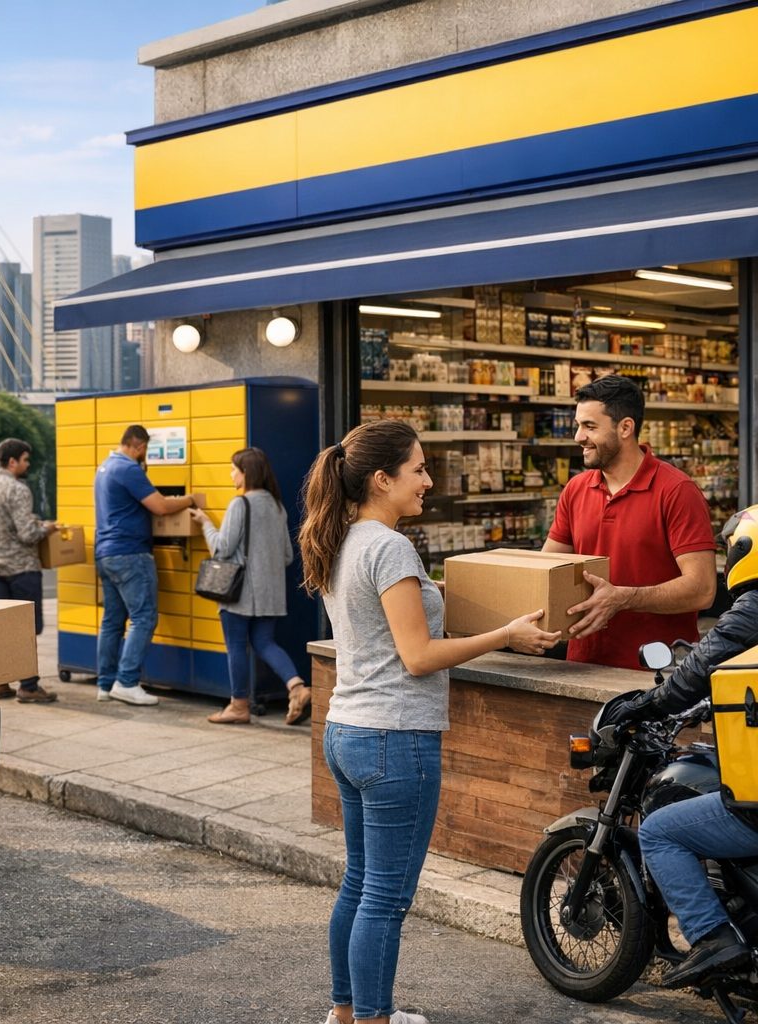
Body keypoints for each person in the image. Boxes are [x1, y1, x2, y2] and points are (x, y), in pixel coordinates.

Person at [298, 420, 560, 1024]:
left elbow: (384, 626)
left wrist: (434, 590)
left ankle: (346, 1014)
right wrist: (506, 636)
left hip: (347, 730)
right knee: (385, 897)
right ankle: (374, 1020)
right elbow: (418, 657)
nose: (428, 480)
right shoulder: (389, 547)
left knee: (359, 883)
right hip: (394, 738)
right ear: (381, 479)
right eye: (417, 469)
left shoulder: (344, 538)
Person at [611, 505, 758, 989]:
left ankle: (713, 938)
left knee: (659, 831)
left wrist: (649, 703)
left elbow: (699, 668)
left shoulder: (753, 609)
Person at [543, 373, 717, 670]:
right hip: (581, 668)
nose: (578, 437)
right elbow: (545, 570)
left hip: (658, 677)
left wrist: (624, 598)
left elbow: (702, 589)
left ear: (626, 427)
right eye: (578, 425)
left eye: (590, 426)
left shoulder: (676, 491)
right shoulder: (576, 489)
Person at [189, 447, 310, 725]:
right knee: (264, 642)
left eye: (234, 469)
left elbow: (222, 548)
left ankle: (238, 706)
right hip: (270, 593)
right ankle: (297, 688)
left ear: (246, 473)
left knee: (236, 646)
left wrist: (206, 523)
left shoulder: (239, 504)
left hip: (239, 592)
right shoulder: (276, 506)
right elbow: (287, 556)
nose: (232, 474)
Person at [94, 424, 196, 706]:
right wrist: (190, 499)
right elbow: (161, 507)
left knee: (113, 621)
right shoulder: (128, 469)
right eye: (145, 450)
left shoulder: (104, 467)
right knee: (144, 617)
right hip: (130, 554)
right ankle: (126, 682)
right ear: (138, 446)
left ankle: (105, 683)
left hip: (106, 554)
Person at [0, 437, 59, 704]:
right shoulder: (18, 489)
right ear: (13, 461)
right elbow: (28, 533)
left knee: (2, 628)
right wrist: (47, 528)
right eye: (25, 459)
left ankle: (0, 682)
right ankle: (29, 685)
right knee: (26, 628)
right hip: (22, 568)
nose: (27, 464)